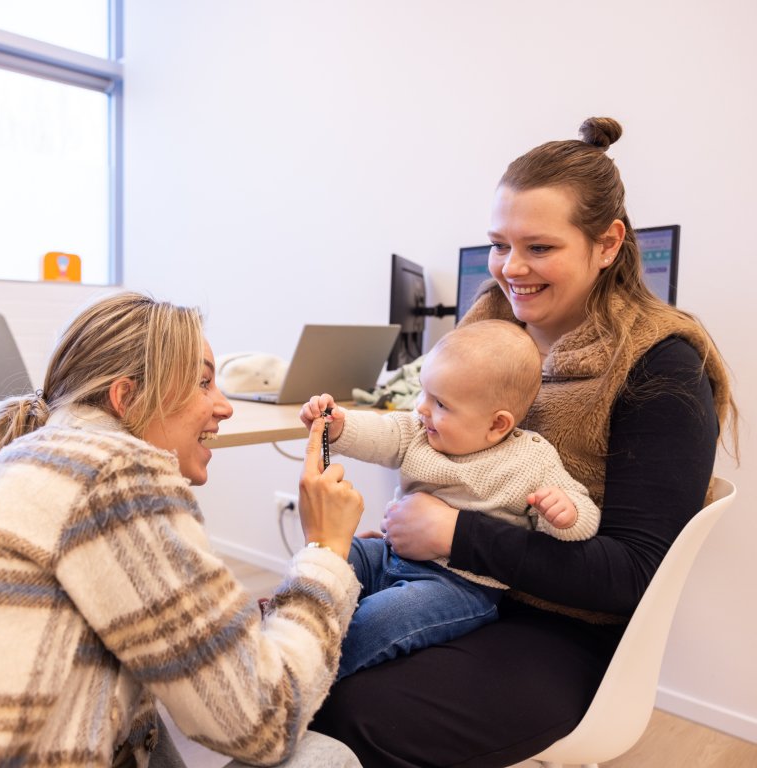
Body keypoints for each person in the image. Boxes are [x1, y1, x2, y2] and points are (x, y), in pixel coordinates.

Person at [309, 117, 739, 767]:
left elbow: (632, 576)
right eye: (498, 244)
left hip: (565, 630)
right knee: (302, 632)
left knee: (350, 708)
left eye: (538, 247)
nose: (511, 269)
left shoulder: (661, 369)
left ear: (607, 244)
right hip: (443, 576)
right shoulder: (487, 327)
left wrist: (455, 534)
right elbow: (421, 438)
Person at [0, 292, 366, 768]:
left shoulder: (28, 457)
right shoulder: (117, 469)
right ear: (126, 397)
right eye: (202, 383)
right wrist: (325, 551)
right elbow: (266, 722)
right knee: (326, 758)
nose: (225, 407)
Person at [300, 319, 600, 679]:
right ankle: (290, 629)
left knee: (378, 619)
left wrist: (564, 513)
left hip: (458, 587)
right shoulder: (419, 430)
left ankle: (309, 675)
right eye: (424, 393)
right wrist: (339, 427)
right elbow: (382, 433)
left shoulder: (532, 461)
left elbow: (584, 516)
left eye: (439, 402)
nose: (422, 408)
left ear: (497, 425)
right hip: (390, 555)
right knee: (330, 557)